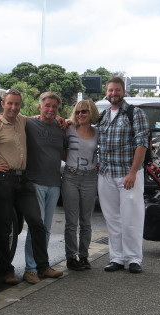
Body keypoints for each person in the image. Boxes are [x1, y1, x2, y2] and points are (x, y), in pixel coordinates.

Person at [0, 89, 63, 285]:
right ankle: (6, 271)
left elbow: (42, 115)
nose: (13, 107)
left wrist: (60, 118)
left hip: (23, 179)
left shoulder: (21, 120)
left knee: (37, 223)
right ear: (3, 104)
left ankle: (43, 267)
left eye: (17, 104)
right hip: (4, 180)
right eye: (10, 103)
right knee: (4, 227)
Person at [97, 76, 150, 274]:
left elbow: (141, 143)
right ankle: (117, 258)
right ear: (106, 92)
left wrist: (133, 172)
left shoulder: (134, 113)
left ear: (123, 91)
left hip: (127, 175)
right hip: (106, 174)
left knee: (132, 218)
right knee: (113, 218)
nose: (114, 93)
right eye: (111, 90)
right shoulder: (103, 115)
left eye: (117, 90)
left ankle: (134, 258)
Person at [22, 92, 66, 284]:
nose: (50, 109)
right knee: (35, 227)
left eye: (54, 107)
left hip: (54, 183)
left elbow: (64, 152)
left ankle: (43, 266)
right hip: (35, 182)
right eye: (47, 105)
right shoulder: (29, 123)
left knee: (46, 228)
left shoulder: (60, 126)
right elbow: (10, 116)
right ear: (39, 106)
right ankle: (30, 269)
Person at [61, 99, 99, 271]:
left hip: (90, 178)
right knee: (71, 221)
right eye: (77, 112)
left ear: (91, 113)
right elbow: (61, 150)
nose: (81, 115)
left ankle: (84, 256)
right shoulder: (68, 129)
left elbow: (102, 152)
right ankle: (71, 257)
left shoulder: (98, 133)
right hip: (71, 176)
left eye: (84, 111)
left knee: (86, 221)